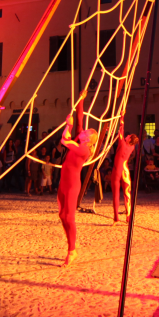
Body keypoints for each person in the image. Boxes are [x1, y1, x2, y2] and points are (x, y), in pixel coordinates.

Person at [57, 111, 98, 266]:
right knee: (62, 215)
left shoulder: (84, 149)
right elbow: (66, 138)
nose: (83, 132)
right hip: (64, 183)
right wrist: (69, 124)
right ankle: (71, 246)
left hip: (73, 184)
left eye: (85, 132)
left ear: (88, 138)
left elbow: (64, 140)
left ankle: (72, 251)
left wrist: (70, 125)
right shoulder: (79, 144)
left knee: (69, 217)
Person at [111, 125, 138, 222]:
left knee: (116, 194)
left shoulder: (122, 143)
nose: (127, 135)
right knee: (127, 194)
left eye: (129, 135)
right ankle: (128, 216)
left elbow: (121, 129)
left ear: (129, 139)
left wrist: (122, 116)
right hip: (125, 170)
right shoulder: (132, 147)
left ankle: (116, 216)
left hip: (117, 170)